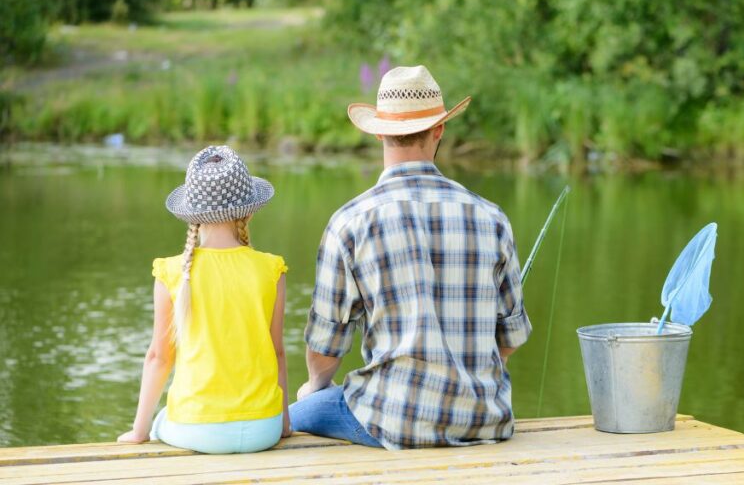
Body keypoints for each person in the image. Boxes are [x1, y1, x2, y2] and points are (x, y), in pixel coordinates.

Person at [289, 65, 532, 450]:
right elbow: (511, 336)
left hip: (389, 420)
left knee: (287, 417)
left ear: (380, 131)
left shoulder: (350, 223)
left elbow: (325, 346)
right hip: (484, 421)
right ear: (439, 129)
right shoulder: (492, 218)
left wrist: (315, 388)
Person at [117, 145, 291, 454]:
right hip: (264, 429)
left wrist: (139, 432)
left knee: (159, 423)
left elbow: (159, 357)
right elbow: (277, 352)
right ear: (249, 211)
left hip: (197, 429)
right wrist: (284, 425)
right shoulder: (271, 269)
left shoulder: (172, 272)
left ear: (191, 215)